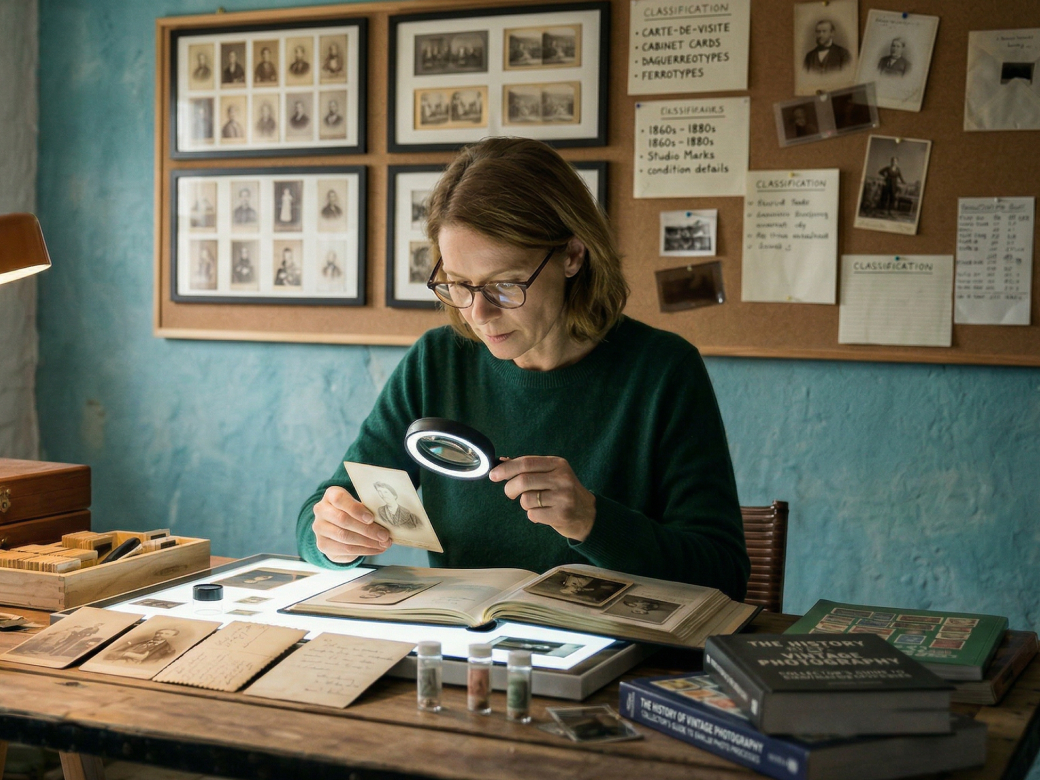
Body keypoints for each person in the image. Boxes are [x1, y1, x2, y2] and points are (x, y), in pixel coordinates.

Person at [296, 137, 750, 601]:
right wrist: (333, 537)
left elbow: (725, 573)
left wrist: (593, 520)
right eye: (458, 285)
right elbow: (323, 513)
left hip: (615, 655)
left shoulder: (662, 372)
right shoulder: (437, 362)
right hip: (468, 649)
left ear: (573, 255)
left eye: (506, 285)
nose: (479, 313)